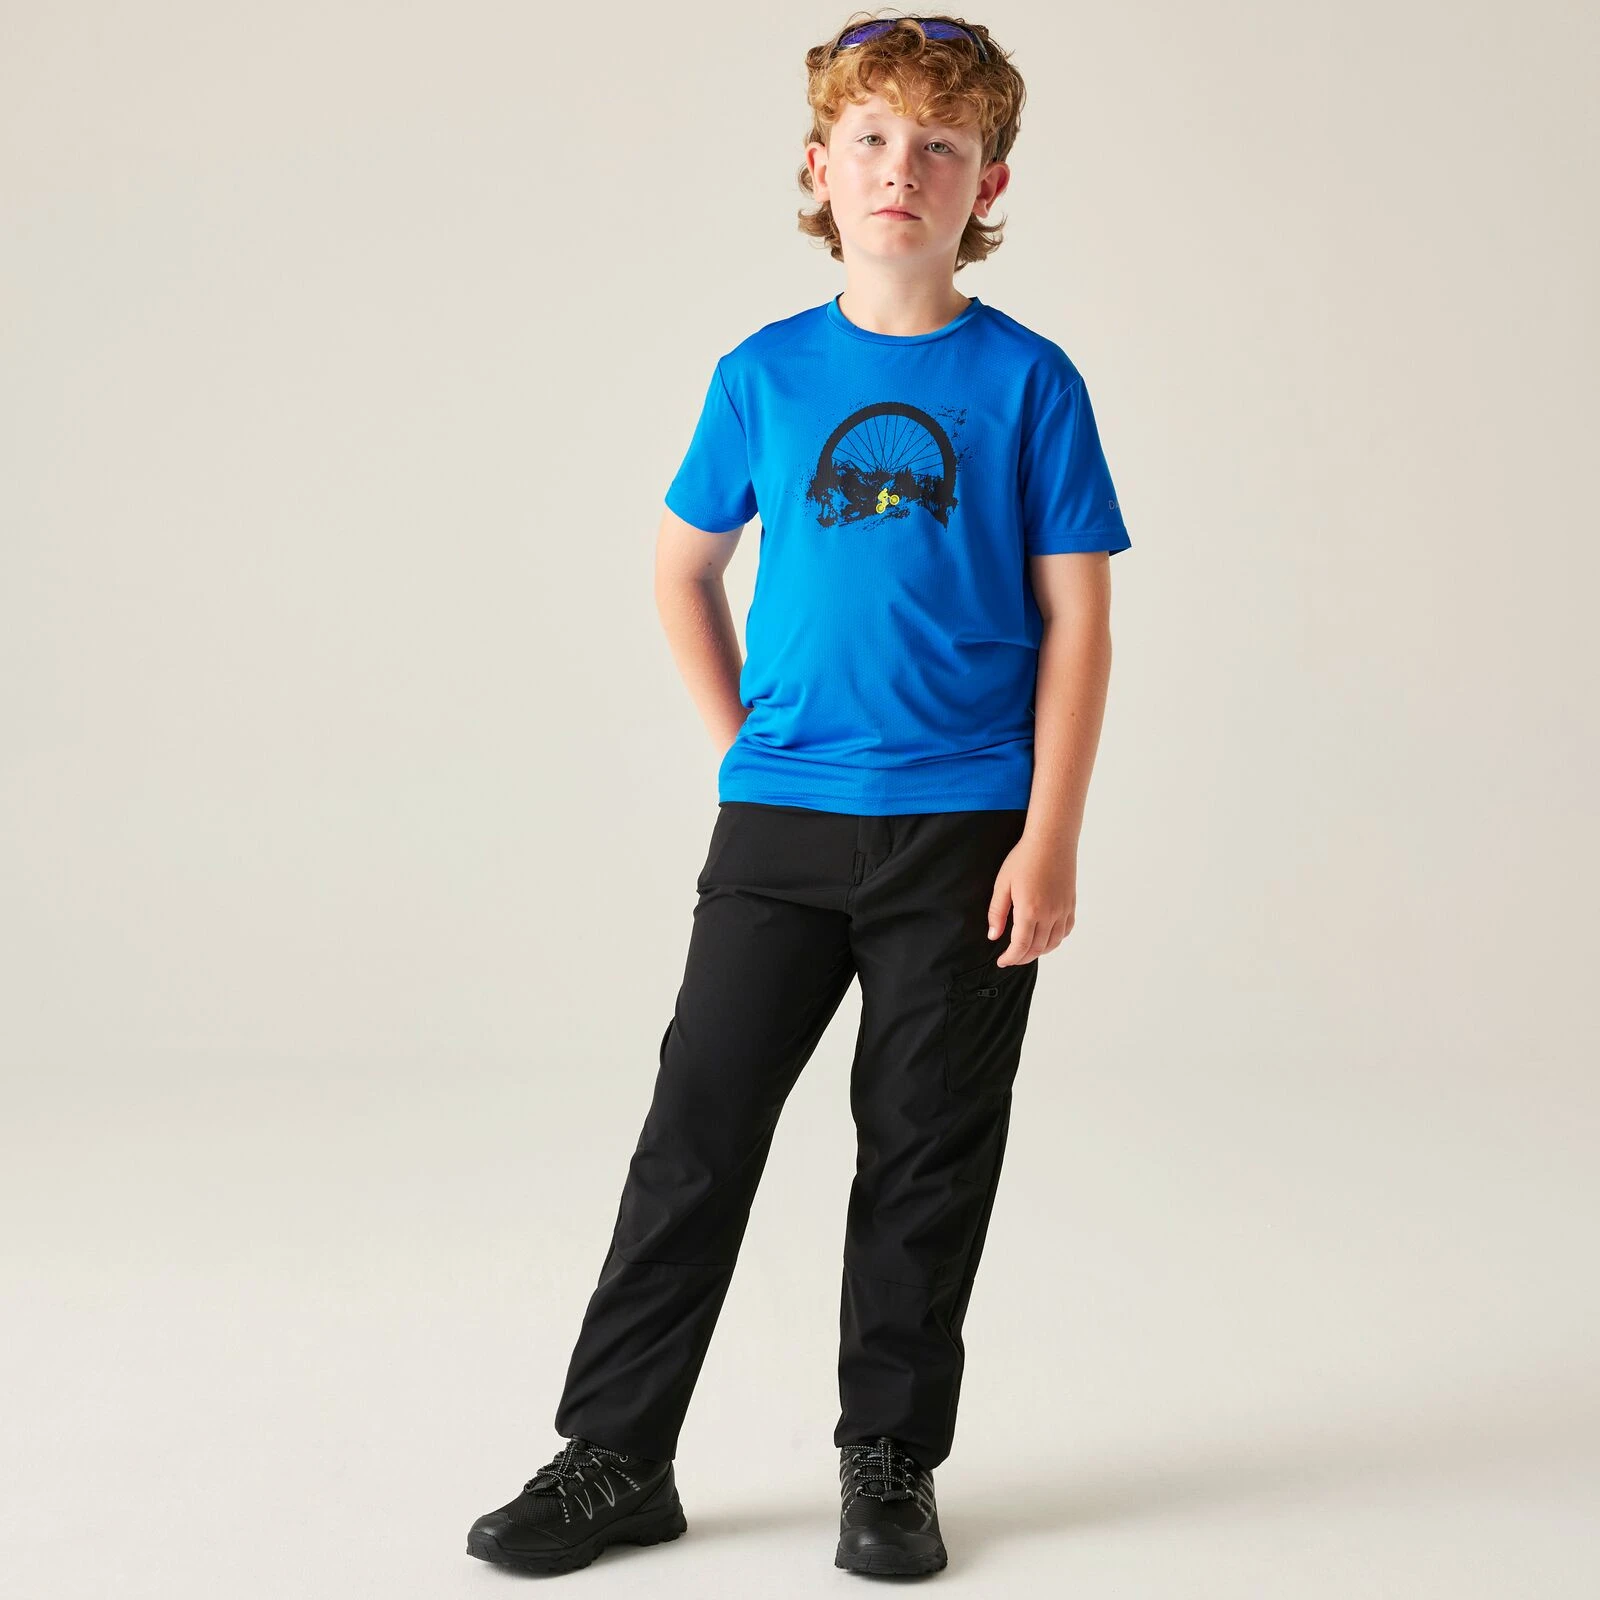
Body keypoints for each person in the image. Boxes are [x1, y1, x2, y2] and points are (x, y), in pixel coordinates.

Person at [467, 10, 1132, 1578]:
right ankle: (617, 1453)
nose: (905, 168)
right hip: (779, 827)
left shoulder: (1029, 382)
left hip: (966, 828)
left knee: (924, 1150)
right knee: (695, 1132)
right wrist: (740, 748)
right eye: (873, 138)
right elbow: (681, 569)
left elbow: (1081, 619)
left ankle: (888, 1460)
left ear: (989, 184)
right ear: (820, 168)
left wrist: (1051, 833)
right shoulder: (762, 376)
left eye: (941, 146)